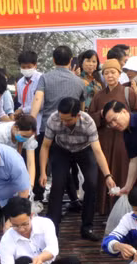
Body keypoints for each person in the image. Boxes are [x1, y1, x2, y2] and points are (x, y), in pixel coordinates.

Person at [39, 97, 117, 240]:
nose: (64, 122)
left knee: (92, 184)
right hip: (62, 149)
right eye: (62, 119)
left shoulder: (88, 122)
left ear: (78, 115)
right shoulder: (54, 119)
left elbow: (98, 152)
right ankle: (52, 228)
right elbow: (45, 146)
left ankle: (87, 226)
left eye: (68, 120)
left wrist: (107, 176)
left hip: (84, 150)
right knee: (57, 185)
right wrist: (43, 172)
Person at [29, 45, 86, 202]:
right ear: (70, 60)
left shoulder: (45, 78)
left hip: (48, 127)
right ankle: (73, 198)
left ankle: (39, 196)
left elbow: (38, 99)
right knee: (65, 166)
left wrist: (31, 122)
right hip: (71, 130)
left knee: (42, 164)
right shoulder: (79, 82)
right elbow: (82, 108)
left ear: (54, 60)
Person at [88, 59, 137, 215]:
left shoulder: (128, 93)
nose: (110, 76)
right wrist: (101, 115)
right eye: (106, 73)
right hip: (105, 138)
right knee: (105, 171)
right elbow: (90, 118)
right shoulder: (99, 95)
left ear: (119, 74)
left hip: (123, 138)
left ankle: (124, 207)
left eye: (113, 72)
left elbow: (136, 113)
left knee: (122, 170)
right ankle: (105, 208)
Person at [0, 115, 39, 188]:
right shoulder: (0, 133)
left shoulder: (29, 135)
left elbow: (30, 163)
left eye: (28, 137)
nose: (26, 139)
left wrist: (30, 185)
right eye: (24, 136)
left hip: (7, 159)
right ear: (15, 128)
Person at [15, 50, 42, 131]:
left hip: (39, 120)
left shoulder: (41, 79)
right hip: (24, 121)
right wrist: (18, 111)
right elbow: (22, 103)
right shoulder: (20, 83)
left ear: (35, 66)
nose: (26, 69)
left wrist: (22, 110)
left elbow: (41, 104)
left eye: (29, 67)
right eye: (23, 67)